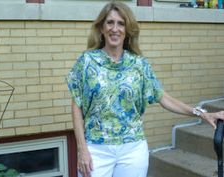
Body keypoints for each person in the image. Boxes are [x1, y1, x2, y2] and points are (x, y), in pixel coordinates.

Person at [66, 1, 224, 177]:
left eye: (121, 23)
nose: (115, 28)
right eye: (110, 22)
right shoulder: (87, 62)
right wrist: (82, 149)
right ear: (102, 28)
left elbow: (163, 97)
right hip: (96, 150)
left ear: (127, 30)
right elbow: (76, 106)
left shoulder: (138, 64)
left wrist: (201, 113)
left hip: (132, 150)